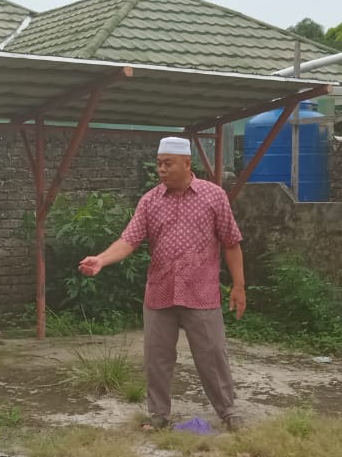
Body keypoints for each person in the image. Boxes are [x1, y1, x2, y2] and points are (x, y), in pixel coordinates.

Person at [78, 136, 246, 432]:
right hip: (160, 292)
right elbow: (128, 240)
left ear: (186, 164)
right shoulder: (150, 201)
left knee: (213, 355)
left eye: (168, 164)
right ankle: (158, 415)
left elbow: (232, 244)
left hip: (202, 292)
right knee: (157, 358)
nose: (162, 170)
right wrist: (102, 259)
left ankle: (229, 412)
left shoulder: (214, 196)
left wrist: (239, 286)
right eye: (158, 164)